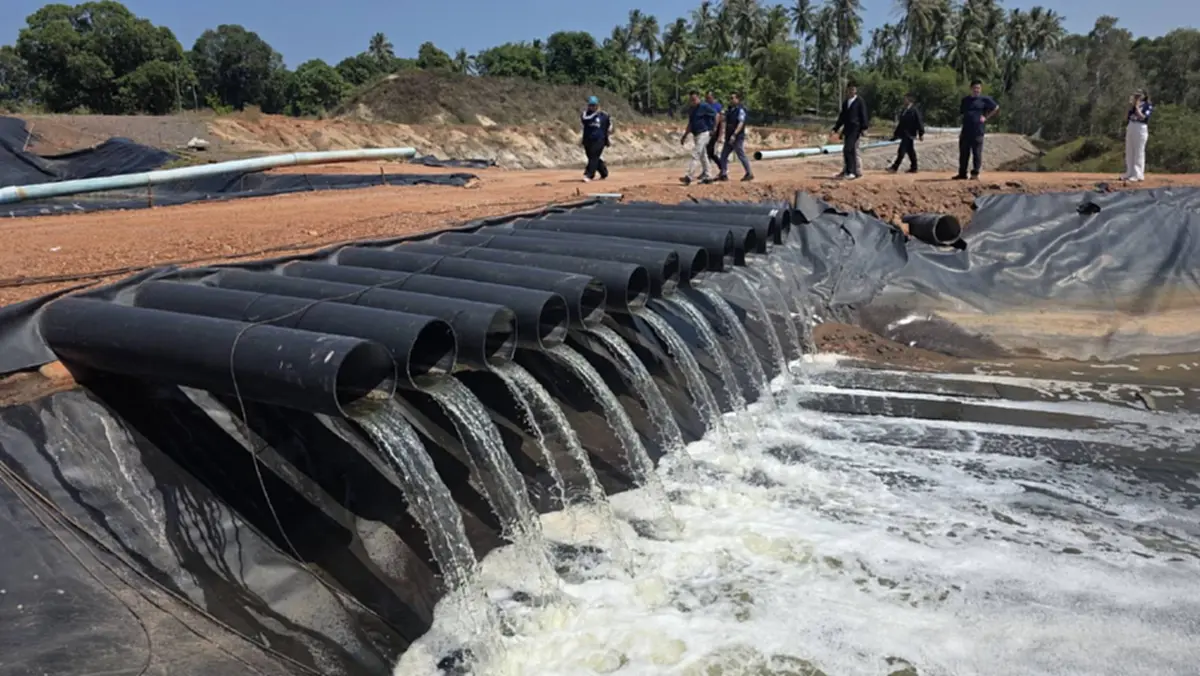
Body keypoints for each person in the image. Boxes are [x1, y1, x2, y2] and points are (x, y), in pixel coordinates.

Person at [954, 79, 999, 180]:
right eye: (975, 88)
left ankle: (975, 174)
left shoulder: (985, 99)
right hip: (966, 131)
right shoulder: (965, 100)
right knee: (964, 153)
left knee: (977, 153)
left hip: (978, 131)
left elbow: (996, 107)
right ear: (971, 89)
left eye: (978, 88)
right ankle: (962, 173)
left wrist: (986, 117)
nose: (976, 90)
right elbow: (962, 114)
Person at [832, 83, 869, 180]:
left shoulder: (860, 101)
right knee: (848, 150)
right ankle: (847, 170)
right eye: (850, 89)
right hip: (847, 129)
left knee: (849, 149)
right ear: (847, 90)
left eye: (853, 89)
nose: (851, 91)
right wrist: (835, 128)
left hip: (856, 129)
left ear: (855, 90)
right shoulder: (846, 103)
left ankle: (852, 172)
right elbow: (842, 117)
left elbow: (863, 115)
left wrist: (864, 128)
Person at [680, 90, 716, 185]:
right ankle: (708, 176)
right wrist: (685, 136)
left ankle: (689, 176)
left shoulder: (704, 106)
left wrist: (713, 128)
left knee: (695, 154)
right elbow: (690, 124)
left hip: (704, 133)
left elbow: (717, 115)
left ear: (698, 98)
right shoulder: (691, 109)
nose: (693, 101)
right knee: (703, 156)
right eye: (691, 100)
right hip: (696, 134)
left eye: (694, 99)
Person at [717, 91, 754, 182]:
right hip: (729, 136)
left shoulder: (741, 110)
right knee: (723, 155)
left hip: (737, 137)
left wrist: (734, 134)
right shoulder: (730, 110)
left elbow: (741, 123)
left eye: (733, 98)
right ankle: (724, 173)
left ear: (738, 99)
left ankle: (749, 173)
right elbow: (725, 120)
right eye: (730, 98)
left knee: (741, 155)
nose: (731, 100)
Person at [888, 93, 925, 174]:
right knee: (910, 151)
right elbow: (901, 124)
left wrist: (921, 133)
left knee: (901, 150)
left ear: (909, 100)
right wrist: (895, 135)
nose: (904, 100)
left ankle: (895, 167)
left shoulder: (914, 110)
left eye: (905, 99)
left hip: (910, 134)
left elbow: (919, 122)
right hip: (904, 133)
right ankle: (914, 167)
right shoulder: (904, 110)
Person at [1122, 89, 1153, 182]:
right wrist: (1131, 106)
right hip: (1132, 125)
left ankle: (1138, 174)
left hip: (1140, 127)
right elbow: (1127, 117)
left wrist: (1137, 107)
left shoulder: (1148, 105)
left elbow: (1143, 117)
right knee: (1129, 150)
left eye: (1139, 95)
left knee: (1138, 151)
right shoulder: (1134, 106)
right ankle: (1129, 172)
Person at [580, 95, 612, 182]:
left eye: (594, 105)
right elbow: (585, 120)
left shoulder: (604, 115)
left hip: (599, 140)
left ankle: (589, 174)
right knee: (591, 156)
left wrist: (607, 137)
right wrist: (595, 114)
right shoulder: (585, 114)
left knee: (594, 156)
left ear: (597, 105)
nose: (592, 107)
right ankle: (604, 172)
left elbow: (609, 125)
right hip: (588, 139)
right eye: (591, 105)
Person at [705, 91, 724, 166]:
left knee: (711, 151)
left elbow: (721, 121)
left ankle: (722, 167)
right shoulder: (706, 106)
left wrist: (720, 135)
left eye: (708, 98)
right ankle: (707, 170)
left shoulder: (718, 106)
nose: (707, 99)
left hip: (715, 131)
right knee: (708, 151)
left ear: (713, 97)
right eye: (706, 98)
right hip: (708, 131)